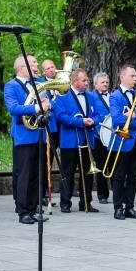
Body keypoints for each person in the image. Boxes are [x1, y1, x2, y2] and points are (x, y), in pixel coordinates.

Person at [4, 55, 51, 224]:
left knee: (37, 175)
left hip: (38, 132)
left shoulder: (39, 84)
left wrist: (47, 106)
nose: (37, 66)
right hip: (23, 134)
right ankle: (23, 210)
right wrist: (38, 107)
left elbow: (47, 104)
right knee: (24, 174)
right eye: (33, 64)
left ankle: (33, 208)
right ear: (22, 68)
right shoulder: (11, 86)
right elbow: (13, 108)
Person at [54, 68, 100, 214]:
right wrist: (81, 122)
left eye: (87, 80)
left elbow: (98, 114)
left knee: (87, 173)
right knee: (67, 173)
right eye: (84, 80)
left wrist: (93, 120)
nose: (87, 83)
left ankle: (86, 202)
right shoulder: (63, 97)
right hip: (70, 141)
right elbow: (61, 116)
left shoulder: (91, 97)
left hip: (87, 139)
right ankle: (65, 202)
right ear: (75, 81)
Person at [108, 64, 136, 220]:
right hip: (122, 140)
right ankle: (118, 208)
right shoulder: (115, 96)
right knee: (119, 176)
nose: (135, 78)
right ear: (122, 77)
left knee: (134, 176)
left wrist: (134, 115)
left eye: (135, 76)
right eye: (132, 76)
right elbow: (117, 120)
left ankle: (130, 207)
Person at [91, 72, 112, 204]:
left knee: (115, 165)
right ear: (95, 84)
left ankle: (118, 192)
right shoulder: (91, 97)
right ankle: (102, 195)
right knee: (101, 165)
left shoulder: (113, 96)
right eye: (102, 82)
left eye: (107, 82)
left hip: (112, 136)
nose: (105, 84)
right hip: (98, 135)